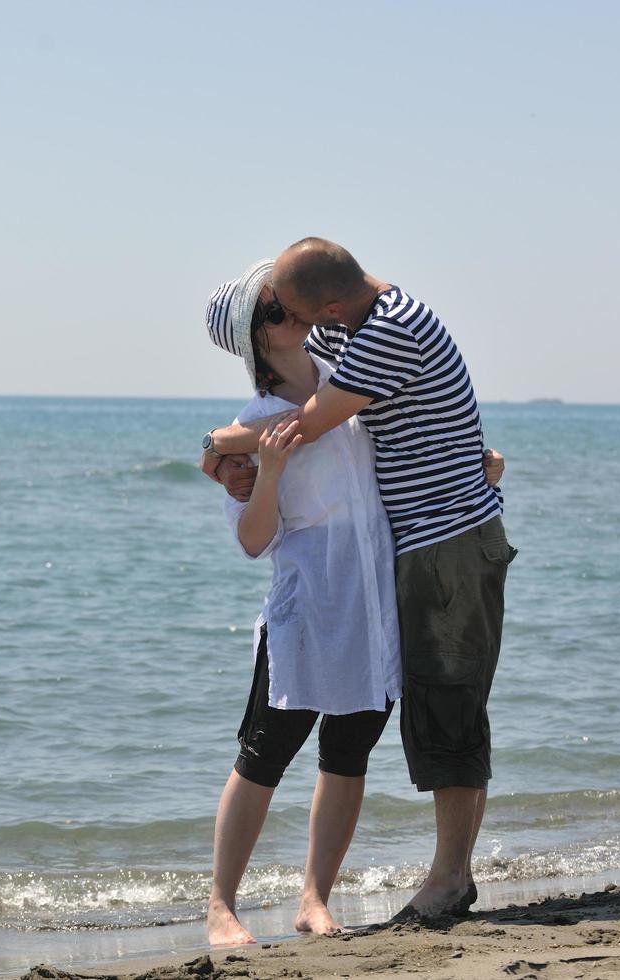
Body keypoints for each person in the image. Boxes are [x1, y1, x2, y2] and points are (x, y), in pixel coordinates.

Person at [200, 238, 515, 922]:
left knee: (358, 750)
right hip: (315, 604)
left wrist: (470, 463)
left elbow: (346, 427)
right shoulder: (266, 415)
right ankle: (220, 906)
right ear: (257, 336)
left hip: (382, 594)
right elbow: (253, 537)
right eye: (272, 305)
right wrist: (243, 456)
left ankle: (324, 896)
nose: (288, 308)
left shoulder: (355, 358)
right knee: (265, 751)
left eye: (286, 299)